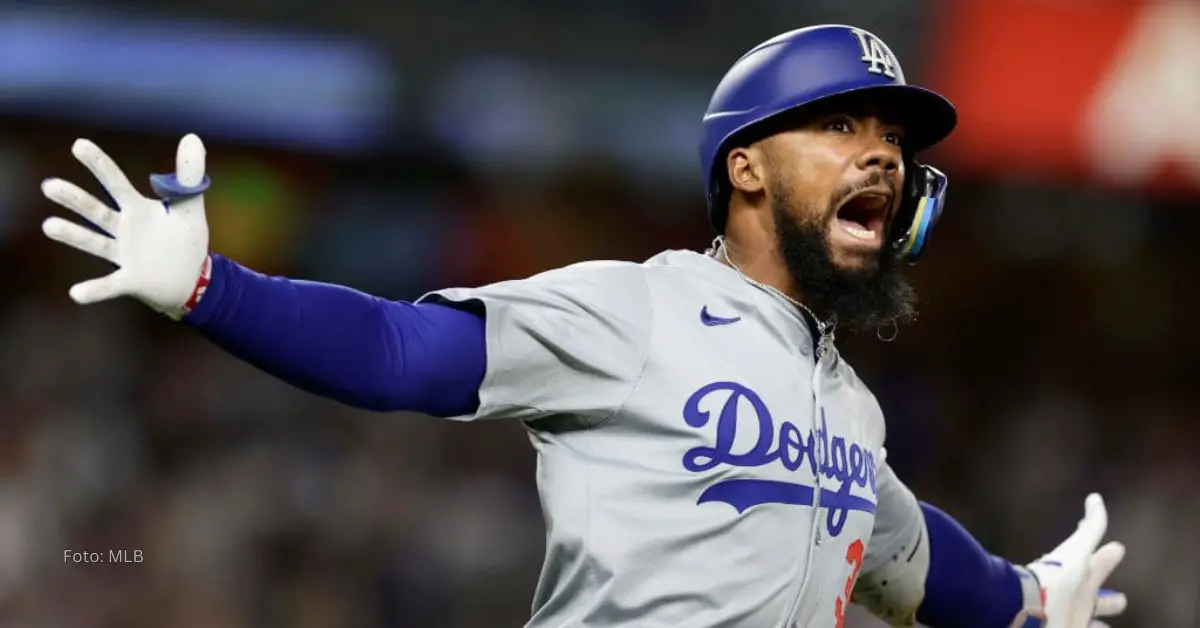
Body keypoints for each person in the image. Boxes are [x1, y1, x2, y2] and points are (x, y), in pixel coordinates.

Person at [39, 24, 1125, 628]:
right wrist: (210, 288)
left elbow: (922, 559)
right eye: (840, 124)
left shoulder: (851, 409)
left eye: (890, 136)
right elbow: (401, 352)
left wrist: (1035, 600)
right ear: (744, 166)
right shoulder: (636, 308)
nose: (880, 152)